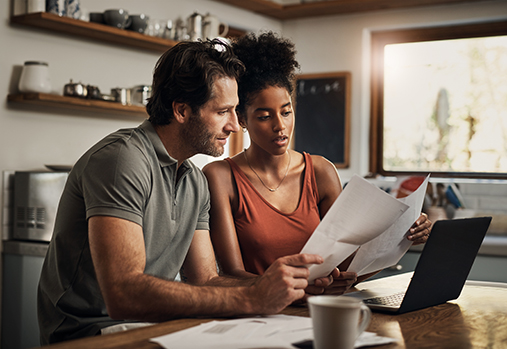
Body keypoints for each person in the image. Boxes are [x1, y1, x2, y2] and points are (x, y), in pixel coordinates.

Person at [37, 39, 327, 345]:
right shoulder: (123, 159)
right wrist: (251, 298)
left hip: (150, 327)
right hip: (88, 333)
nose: (234, 126)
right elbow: (123, 294)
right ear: (182, 110)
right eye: (223, 111)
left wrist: (279, 287)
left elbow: (207, 281)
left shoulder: (193, 180)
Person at [203, 32, 431, 297]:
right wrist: (300, 289)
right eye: (264, 116)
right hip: (259, 315)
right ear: (241, 119)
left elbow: (347, 266)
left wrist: (403, 237)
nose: (280, 126)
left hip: (321, 311)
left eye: (286, 112)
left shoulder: (321, 172)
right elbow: (231, 275)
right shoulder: (220, 177)